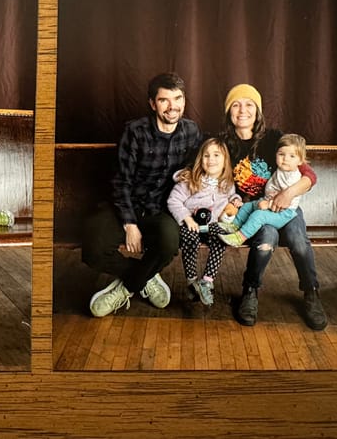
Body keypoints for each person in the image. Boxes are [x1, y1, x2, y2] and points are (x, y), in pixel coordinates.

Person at [81, 72, 202, 317]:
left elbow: (194, 174)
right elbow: (121, 181)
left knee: (170, 242)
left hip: (161, 209)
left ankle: (126, 288)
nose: (172, 106)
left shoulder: (191, 132)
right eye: (164, 100)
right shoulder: (135, 132)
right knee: (93, 248)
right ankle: (146, 276)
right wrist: (129, 224)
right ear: (152, 103)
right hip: (125, 206)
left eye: (177, 98)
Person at [220, 84, 327, 330]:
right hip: (255, 209)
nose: (242, 110)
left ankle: (311, 293)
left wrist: (288, 193)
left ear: (258, 111)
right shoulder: (223, 143)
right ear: (228, 113)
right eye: (236, 105)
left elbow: (308, 173)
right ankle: (250, 291)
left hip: (286, 207)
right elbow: (215, 177)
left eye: (249, 104)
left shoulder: (273, 138)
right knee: (265, 241)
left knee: (299, 242)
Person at [167, 137, 242, 306]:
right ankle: (192, 281)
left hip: (212, 225)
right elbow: (173, 201)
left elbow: (231, 196)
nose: (211, 160)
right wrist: (186, 218)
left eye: (217, 155)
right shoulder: (190, 180)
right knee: (189, 239)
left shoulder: (227, 183)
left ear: (225, 161)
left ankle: (207, 281)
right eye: (206, 156)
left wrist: (235, 199)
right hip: (191, 224)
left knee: (221, 237)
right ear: (200, 160)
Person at [219, 133, 308, 247]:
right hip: (266, 201)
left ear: (300, 161)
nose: (285, 159)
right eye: (281, 154)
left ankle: (239, 237)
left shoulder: (292, 177)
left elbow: (286, 200)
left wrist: (268, 205)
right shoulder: (282, 170)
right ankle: (234, 226)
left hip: (282, 212)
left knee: (258, 216)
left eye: (292, 156)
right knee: (247, 207)